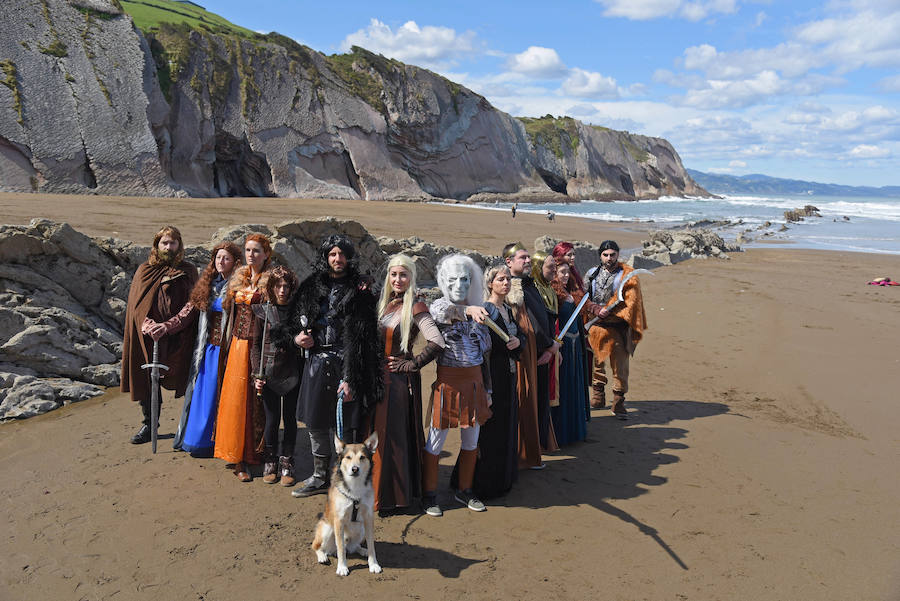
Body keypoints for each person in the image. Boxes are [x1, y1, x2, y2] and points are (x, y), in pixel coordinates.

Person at [289, 235, 382, 498]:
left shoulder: (361, 291)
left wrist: (351, 377)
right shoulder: (310, 287)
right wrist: (298, 338)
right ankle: (320, 477)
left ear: (348, 257)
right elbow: (291, 322)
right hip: (316, 362)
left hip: (347, 364)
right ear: (325, 257)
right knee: (316, 423)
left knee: (348, 426)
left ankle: (346, 479)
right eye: (332, 254)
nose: (337, 259)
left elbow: (364, 337)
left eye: (341, 254)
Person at [374, 254, 444, 514]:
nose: (398, 279)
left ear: (412, 278)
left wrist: (412, 364)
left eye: (403, 275)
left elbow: (437, 341)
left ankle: (394, 496)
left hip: (398, 382)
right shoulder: (385, 304)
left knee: (394, 437)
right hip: (379, 378)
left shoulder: (416, 306)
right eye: (393, 274)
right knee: (378, 436)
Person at [424, 254, 491, 516]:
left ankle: (464, 490)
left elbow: (485, 356)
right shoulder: (439, 306)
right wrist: (467, 310)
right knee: (436, 440)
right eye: (453, 279)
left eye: (465, 279)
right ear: (444, 281)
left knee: (471, 439)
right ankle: (429, 494)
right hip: (449, 382)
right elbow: (445, 311)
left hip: (475, 383)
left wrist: (489, 390)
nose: (459, 284)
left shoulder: (480, 310)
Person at [452, 265, 524, 500]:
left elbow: (518, 336)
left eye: (507, 279)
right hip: (492, 376)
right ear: (490, 283)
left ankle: (503, 477)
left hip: (509, 374)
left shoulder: (508, 310)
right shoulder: (486, 310)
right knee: (489, 431)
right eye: (501, 279)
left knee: (506, 426)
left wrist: (518, 342)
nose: (506, 282)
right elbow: (480, 347)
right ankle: (482, 482)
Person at [121, 226, 198, 444]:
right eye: (164, 243)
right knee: (148, 379)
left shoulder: (189, 270)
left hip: (180, 334)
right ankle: (149, 424)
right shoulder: (145, 270)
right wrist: (148, 325)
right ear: (156, 245)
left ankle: (190, 426)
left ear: (179, 245)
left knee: (190, 374)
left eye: (172, 243)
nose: (168, 247)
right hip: (149, 336)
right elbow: (136, 306)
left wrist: (170, 325)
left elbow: (194, 303)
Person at [167, 241, 242, 454]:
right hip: (206, 349)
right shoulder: (209, 284)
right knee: (201, 394)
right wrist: (165, 327)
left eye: (226, 258)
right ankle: (196, 440)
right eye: (218, 257)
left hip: (226, 349)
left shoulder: (239, 287)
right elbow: (188, 312)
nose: (221, 262)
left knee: (218, 395)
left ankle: (217, 441)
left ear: (235, 262)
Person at [214, 234, 272, 481]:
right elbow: (226, 309)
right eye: (248, 250)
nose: (251, 255)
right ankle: (236, 456)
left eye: (257, 251)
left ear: (266, 254)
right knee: (236, 398)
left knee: (259, 400)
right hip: (238, 344)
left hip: (260, 345)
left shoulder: (272, 280)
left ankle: (258, 453)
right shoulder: (238, 279)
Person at [502, 242, 559, 469]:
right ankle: (525, 455)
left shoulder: (529, 284)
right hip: (526, 356)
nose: (528, 261)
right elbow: (526, 324)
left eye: (528, 258)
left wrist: (550, 346)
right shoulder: (510, 289)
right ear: (509, 262)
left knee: (539, 402)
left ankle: (537, 448)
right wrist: (549, 346)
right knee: (526, 402)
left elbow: (540, 315)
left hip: (541, 353)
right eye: (522, 258)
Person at [584, 240, 647, 419]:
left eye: (612, 254)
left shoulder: (627, 275)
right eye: (605, 255)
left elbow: (632, 303)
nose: (609, 258)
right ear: (600, 256)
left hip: (619, 327)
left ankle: (618, 399)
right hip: (596, 326)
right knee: (597, 363)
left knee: (620, 366)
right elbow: (582, 296)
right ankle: (598, 396)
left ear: (618, 254)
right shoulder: (591, 274)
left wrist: (612, 312)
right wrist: (595, 309)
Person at [252, 265, 302, 486]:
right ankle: (270, 461)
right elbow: (256, 346)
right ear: (271, 288)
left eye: (286, 286)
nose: (282, 290)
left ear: (292, 288)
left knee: (290, 419)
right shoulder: (263, 311)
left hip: (293, 373)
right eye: (278, 286)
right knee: (272, 420)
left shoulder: (299, 312)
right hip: (269, 374)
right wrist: (257, 373)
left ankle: (287, 463)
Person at [550, 262, 588, 444]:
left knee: (574, 387)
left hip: (575, 345)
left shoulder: (569, 292)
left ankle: (575, 431)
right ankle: (562, 434)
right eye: (561, 272)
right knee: (563, 389)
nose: (566, 275)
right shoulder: (554, 294)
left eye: (567, 272)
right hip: (563, 346)